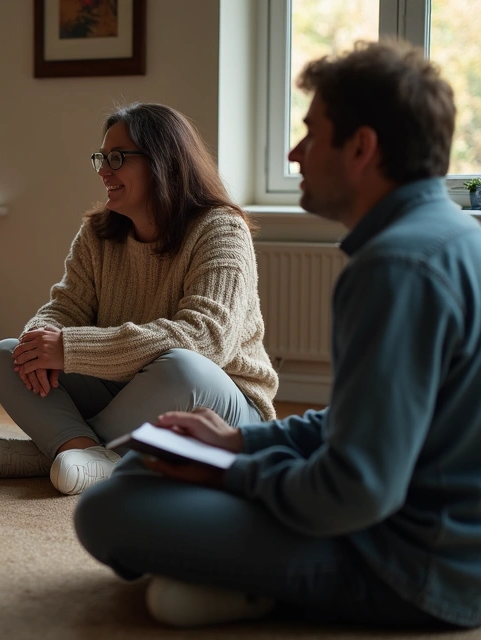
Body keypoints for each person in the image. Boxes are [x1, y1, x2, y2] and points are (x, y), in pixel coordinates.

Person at [76, 40, 481, 630]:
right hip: (441, 545)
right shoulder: (453, 237)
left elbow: (354, 491)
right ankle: (229, 568)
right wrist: (240, 443)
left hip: (413, 568)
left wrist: (228, 472)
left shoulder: (394, 269)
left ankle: (256, 587)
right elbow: (356, 422)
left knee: (108, 509)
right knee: (146, 464)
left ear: (362, 148)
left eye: (312, 134)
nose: (294, 153)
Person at [0, 103, 278, 495]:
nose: (104, 170)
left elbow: (206, 340)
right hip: (128, 391)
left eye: (117, 158)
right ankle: (80, 449)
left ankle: (57, 448)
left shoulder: (221, 229)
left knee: (183, 366)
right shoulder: (99, 233)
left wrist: (68, 348)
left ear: (163, 162)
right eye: (102, 158)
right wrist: (39, 339)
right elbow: (65, 307)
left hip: (223, 409)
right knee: (7, 354)